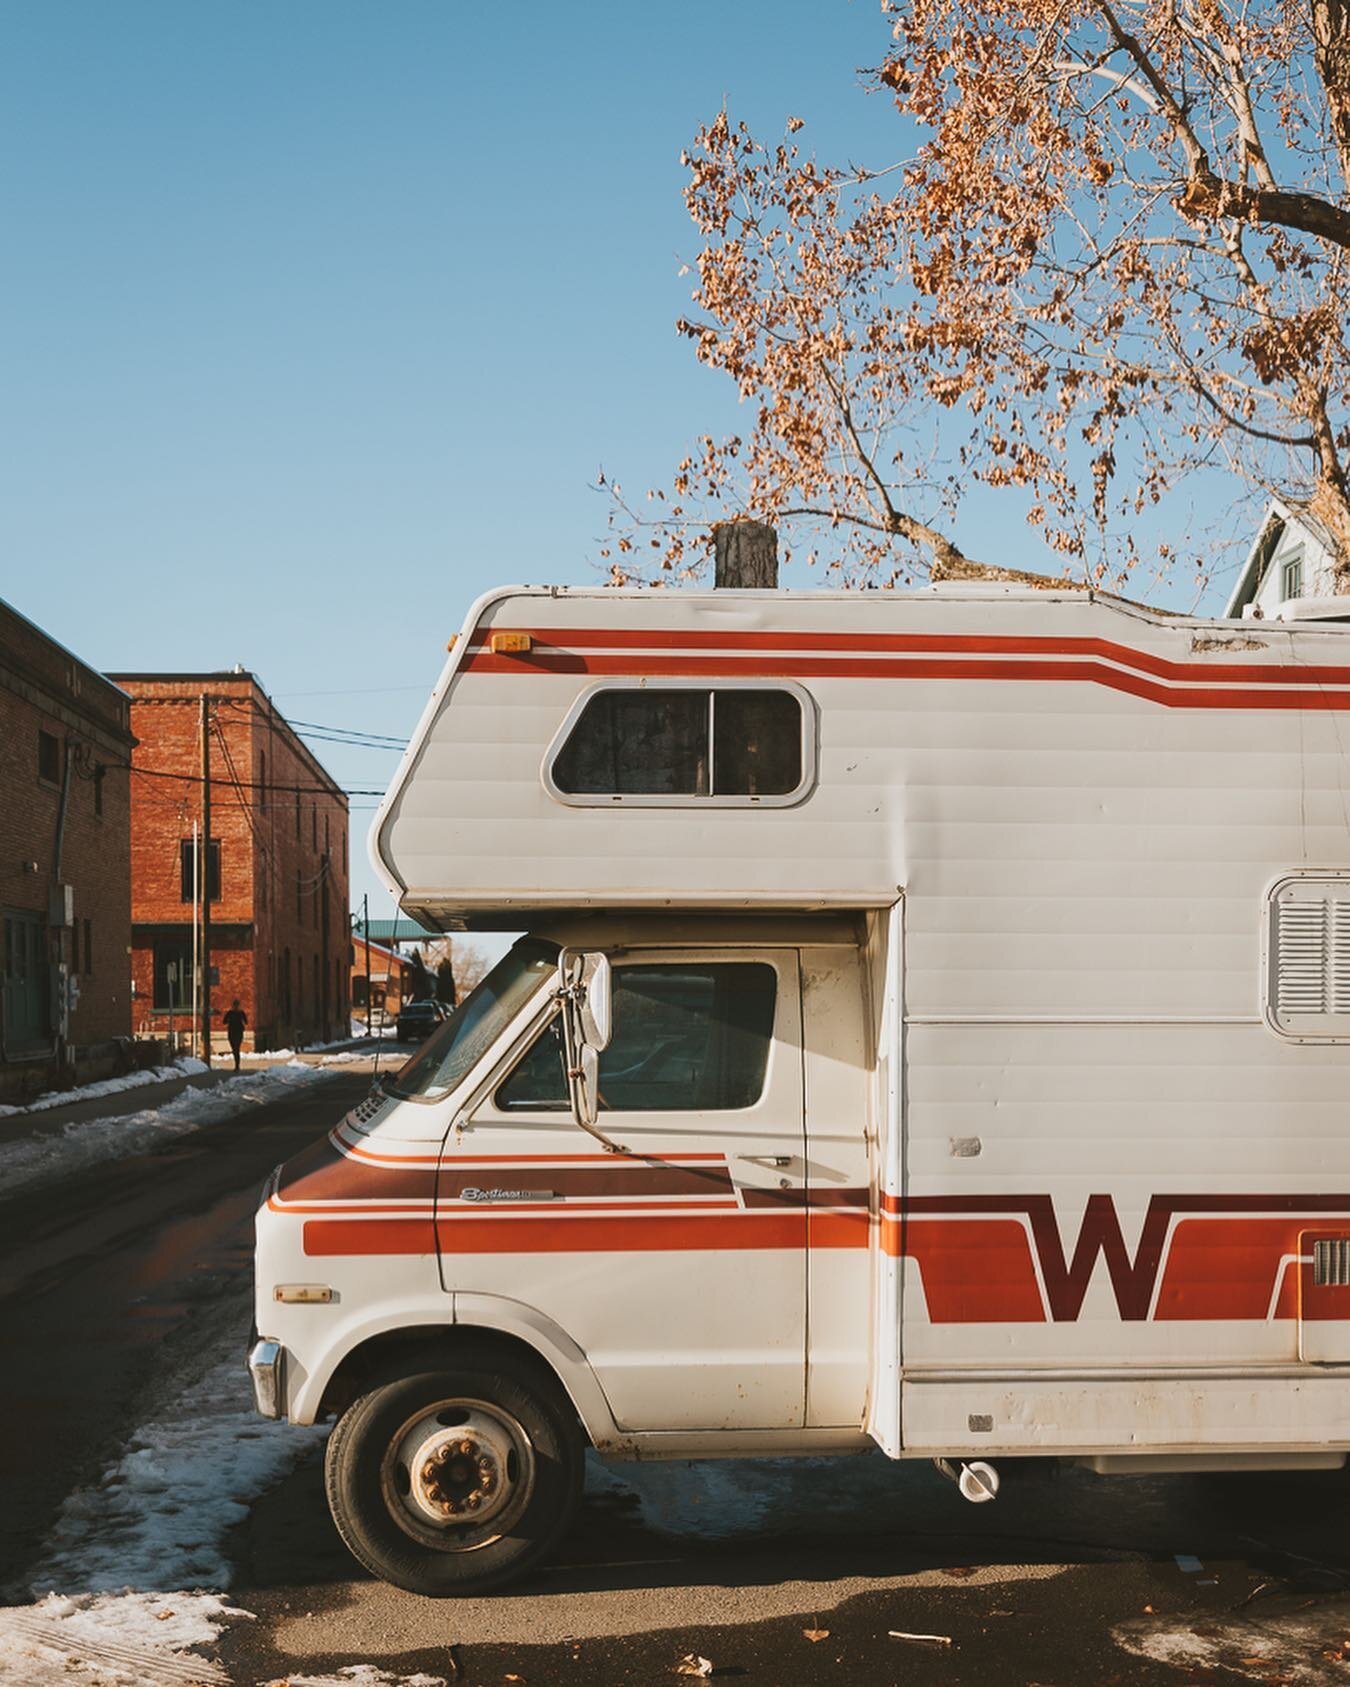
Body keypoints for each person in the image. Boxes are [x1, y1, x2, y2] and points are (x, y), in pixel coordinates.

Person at [223, 999, 248, 1070]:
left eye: (237, 1005)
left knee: (236, 1048)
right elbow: (224, 1021)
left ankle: (237, 1065)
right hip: (232, 1032)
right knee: (235, 1049)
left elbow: (246, 1021)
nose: (236, 1007)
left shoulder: (241, 1013)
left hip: (238, 1032)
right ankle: (237, 1064)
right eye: (235, 1005)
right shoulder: (230, 1013)